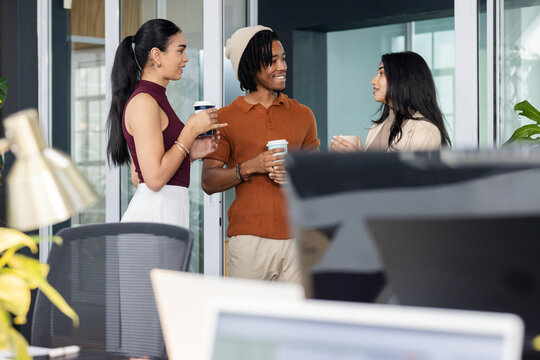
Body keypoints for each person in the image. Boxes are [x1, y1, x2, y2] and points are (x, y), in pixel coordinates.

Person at [201, 26, 320, 282]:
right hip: (249, 242)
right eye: (272, 60)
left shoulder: (303, 114)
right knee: (248, 321)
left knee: (296, 321)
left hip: (298, 238)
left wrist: (298, 173)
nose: (282, 66)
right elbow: (208, 182)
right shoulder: (224, 119)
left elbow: (319, 175)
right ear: (251, 66)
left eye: (283, 58)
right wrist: (249, 167)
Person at [106, 18, 227, 227]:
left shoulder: (154, 98)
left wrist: (190, 153)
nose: (186, 58)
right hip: (154, 218)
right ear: (156, 55)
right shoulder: (144, 102)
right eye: (180, 51)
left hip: (164, 214)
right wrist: (189, 133)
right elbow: (152, 180)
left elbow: (139, 176)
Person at [330, 51, 451, 152]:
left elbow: (412, 179)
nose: (373, 81)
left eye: (381, 73)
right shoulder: (376, 127)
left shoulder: (426, 130)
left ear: (402, 79)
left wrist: (359, 161)